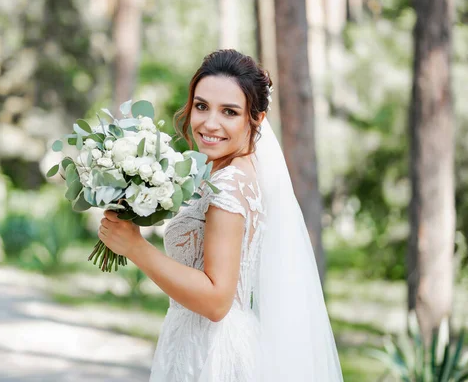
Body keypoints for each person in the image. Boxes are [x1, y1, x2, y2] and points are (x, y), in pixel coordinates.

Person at [98, 49, 343, 381]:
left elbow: (216, 301)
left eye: (229, 112)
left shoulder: (229, 184)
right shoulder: (227, 173)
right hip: (194, 341)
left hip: (213, 354)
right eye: (201, 106)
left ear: (254, 119)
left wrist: (135, 247)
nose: (209, 123)